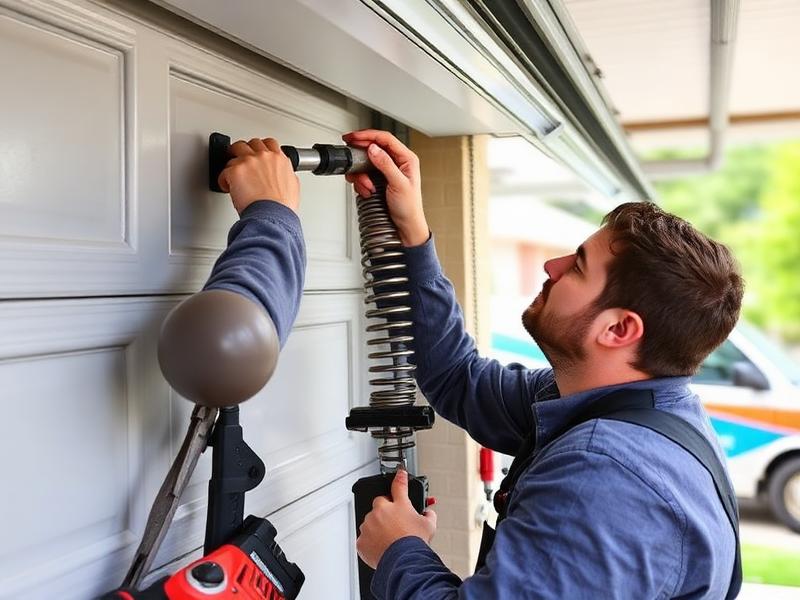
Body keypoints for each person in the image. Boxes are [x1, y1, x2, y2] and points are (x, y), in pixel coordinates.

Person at [209, 131, 743, 599]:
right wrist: (412, 231)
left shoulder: (605, 476)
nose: (551, 265)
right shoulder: (609, 410)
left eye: (578, 266)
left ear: (619, 330)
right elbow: (457, 378)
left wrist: (400, 549)